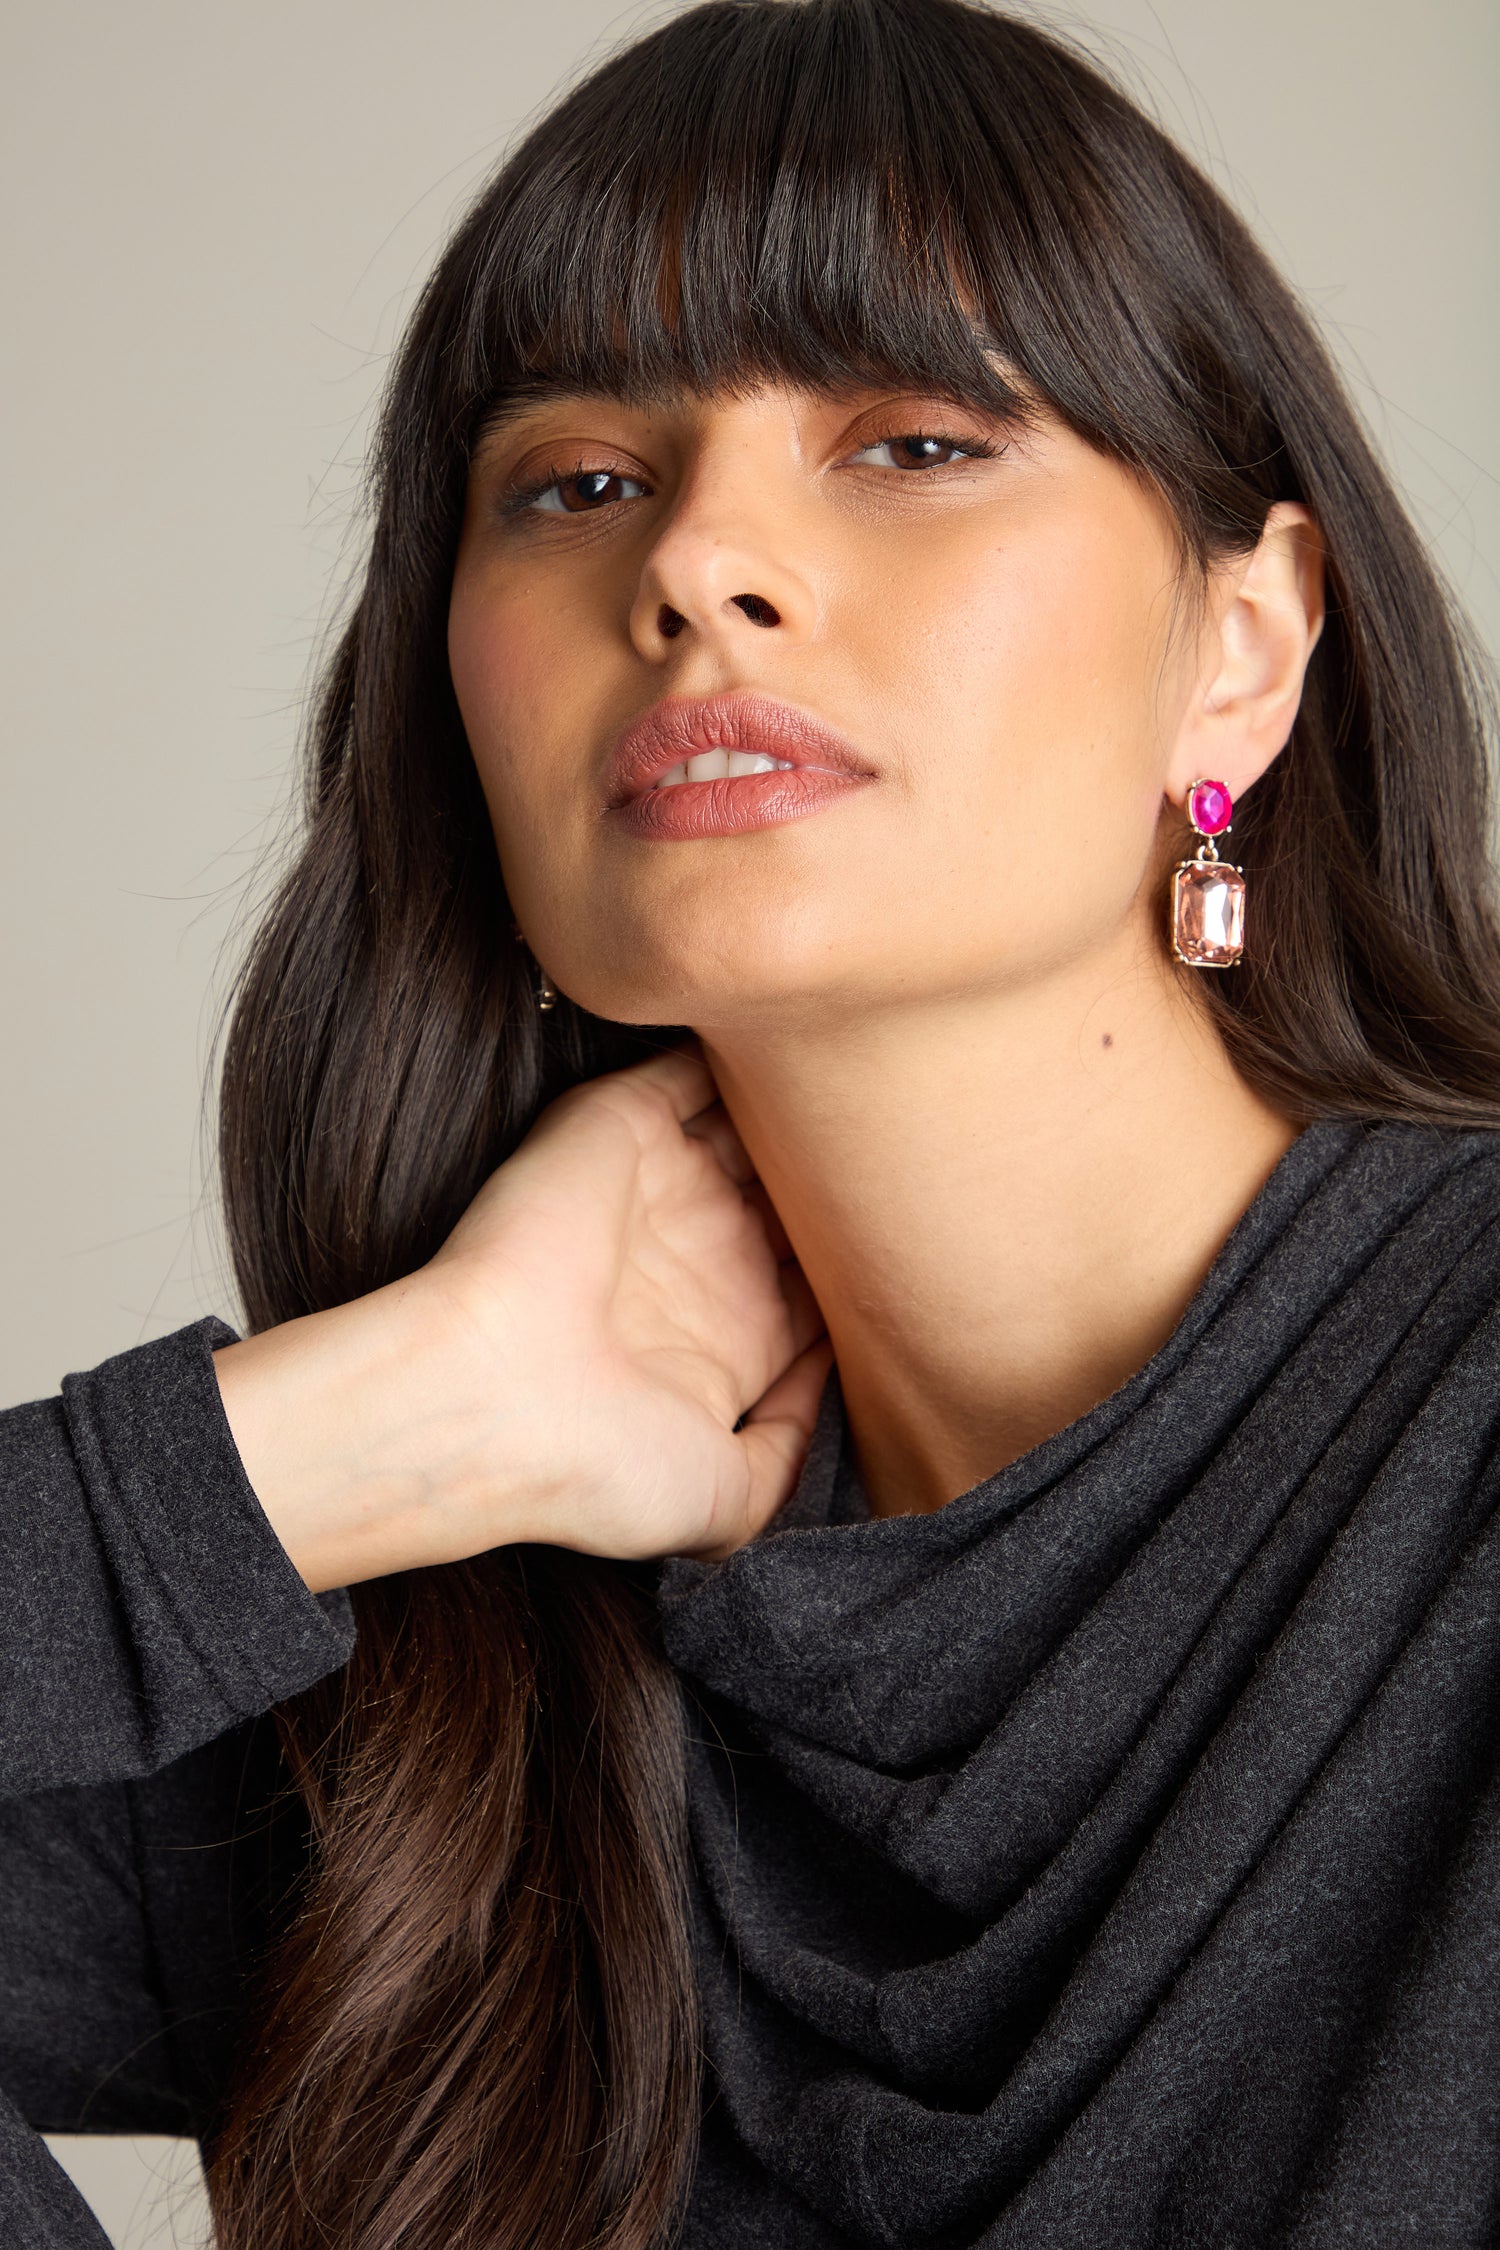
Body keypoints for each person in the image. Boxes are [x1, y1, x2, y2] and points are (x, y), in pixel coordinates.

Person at [3, 0, 1498, 2243]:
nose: (697, 561)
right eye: (578, 483)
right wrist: (340, 1446)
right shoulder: (435, 1638)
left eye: (909, 443)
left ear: (1248, 646)